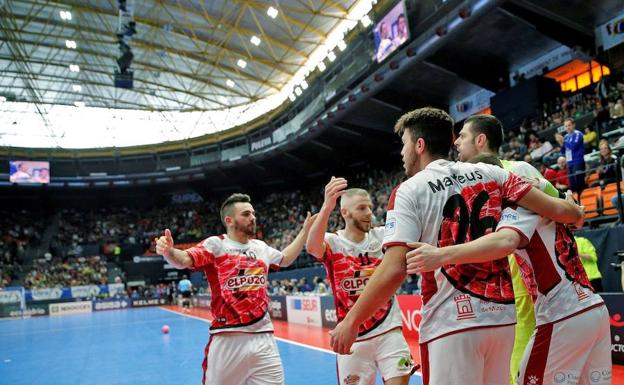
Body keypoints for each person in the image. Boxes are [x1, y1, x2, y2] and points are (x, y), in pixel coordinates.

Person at [329, 107, 584, 385]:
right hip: (501, 320)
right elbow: (561, 211)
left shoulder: (409, 190)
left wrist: (352, 321)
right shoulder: (492, 173)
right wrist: (577, 212)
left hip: (449, 322)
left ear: (419, 145)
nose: (402, 153)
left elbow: (394, 269)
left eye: (404, 145)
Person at [405, 156, 611, 385]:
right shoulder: (551, 199)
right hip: (593, 306)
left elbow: (505, 242)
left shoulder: (519, 207)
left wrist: (441, 255)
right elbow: (575, 213)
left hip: (563, 313)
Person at [155, 193, 317, 385]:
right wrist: (169, 251)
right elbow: (183, 260)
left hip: (264, 338)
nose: (253, 218)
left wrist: (305, 231)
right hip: (228, 339)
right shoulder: (216, 245)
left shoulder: (261, 247)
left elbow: (286, 258)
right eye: (247, 214)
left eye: (253, 214)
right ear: (229, 220)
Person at [454, 114, 561, 385]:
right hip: (487, 288)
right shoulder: (462, 180)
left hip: (526, 283)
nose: (456, 142)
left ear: (480, 140)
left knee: (521, 359)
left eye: (463, 136)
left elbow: (557, 207)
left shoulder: (518, 169)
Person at [306, 179, 413, 385]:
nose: (369, 213)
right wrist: (328, 205)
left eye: (370, 208)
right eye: (362, 208)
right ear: (345, 212)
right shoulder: (334, 241)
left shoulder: (383, 235)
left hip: (388, 329)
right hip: (353, 337)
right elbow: (312, 247)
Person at [558, 118, 586, 193]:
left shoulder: (578, 134)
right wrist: (561, 144)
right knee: (573, 186)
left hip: (578, 162)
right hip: (569, 163)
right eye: (566, 126)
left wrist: (564, 142)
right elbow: (563, 151)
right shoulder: (566, 137)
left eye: (569, 125)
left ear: (574, 125)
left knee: (580, 185)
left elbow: (573, 147)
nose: (568, 127)